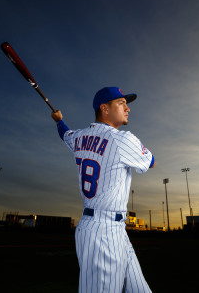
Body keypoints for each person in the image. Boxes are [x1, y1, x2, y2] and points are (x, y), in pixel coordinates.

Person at [51, 87, 155, 293]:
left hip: (111, 231)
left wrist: (58, 120)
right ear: (104, 108)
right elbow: (150, 162)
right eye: (121, 103)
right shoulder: (122, 139)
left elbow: (65, 134)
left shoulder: (79, 137)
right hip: (102, 234)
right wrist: (60, 122)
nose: (128, 109)